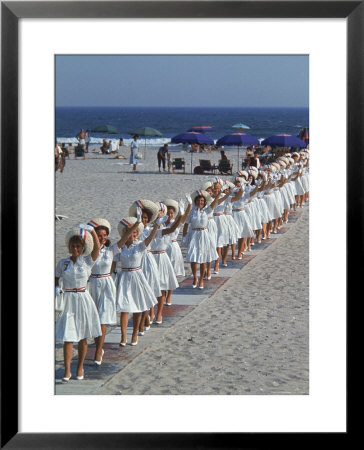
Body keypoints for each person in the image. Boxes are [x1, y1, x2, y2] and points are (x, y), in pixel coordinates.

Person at [55, 224, 101, 382]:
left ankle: (80, 367)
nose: (75, 249)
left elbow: (97, 248)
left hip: (83, 299)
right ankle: (67, 370)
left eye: (78, 246)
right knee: (68, 337)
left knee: (82, 336)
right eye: (73, 246)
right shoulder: (63, 263)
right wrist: (56, 288)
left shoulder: (87, 262)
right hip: (68, 300)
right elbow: (56, 278)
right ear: (69, 247)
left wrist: (93, 231)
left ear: (82, 248)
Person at [113, 212, 160, 346]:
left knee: (138, 306)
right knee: (124, 308)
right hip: (124, 277)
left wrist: (156, 226)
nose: (132, 236)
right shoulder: (120, 247)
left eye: (134, 233)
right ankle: (123, 336)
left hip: (137, 276)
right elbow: (114, 261)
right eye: (129, 233)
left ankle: (134, 333)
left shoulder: (139, 246)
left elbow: (150, 239)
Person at [86, 218, 120, 366]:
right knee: (95, 319)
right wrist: (92, 233)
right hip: (93, 284)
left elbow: (124, 239)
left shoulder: (110, 250)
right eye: (99, 235)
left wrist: (137, 224)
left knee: (103, 319)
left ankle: (99, 350)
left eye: (105, 235)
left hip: (107, 283)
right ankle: (97, 346)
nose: (102, 237)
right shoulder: (88, 252)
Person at [183, 191, 220, 289]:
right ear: (196, 201)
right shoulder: (192, 211)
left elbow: (214, 203)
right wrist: (184, 235)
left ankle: (201, 279)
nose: (200, 202)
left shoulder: (207, 210)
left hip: (204, 234)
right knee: (193, 257)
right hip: (194, 234)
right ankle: (195, 277)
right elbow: (186, 223)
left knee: (204, 258)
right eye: (199, 200)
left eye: (202, 200)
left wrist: (219, 194)